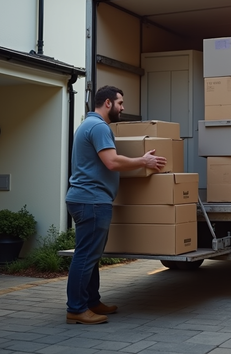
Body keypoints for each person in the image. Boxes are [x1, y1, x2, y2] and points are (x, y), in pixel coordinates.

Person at [65, 85, 167, 324]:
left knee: (91, 254)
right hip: (92, 200)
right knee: (86, 255)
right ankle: (76, 308)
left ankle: (91, 301)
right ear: (108, 103)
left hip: (86, 198)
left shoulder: (88, 125)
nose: (123, 108)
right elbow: (111, 162)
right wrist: (143, 161)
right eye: (120, 103)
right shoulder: (99, 127)